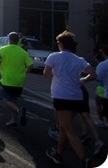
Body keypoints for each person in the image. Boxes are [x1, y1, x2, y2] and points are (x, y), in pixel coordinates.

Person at [44, 30, 96, 167]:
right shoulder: (78, 59)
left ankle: (84, 160)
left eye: (58, 42)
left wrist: (56, 73)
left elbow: (46, 74)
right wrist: (82, 80)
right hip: (77, 97)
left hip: (62, 96)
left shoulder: (54, 56)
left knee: (69, 130)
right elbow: (93, 74)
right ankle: (58, 155)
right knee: (64, 127)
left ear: (61, 44)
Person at [0, 32, 32, 129]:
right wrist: (24, 72)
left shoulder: (3, 49)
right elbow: (30, 65)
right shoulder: (23, 52)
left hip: (8, 78)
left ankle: (19, 110)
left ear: (9, 39)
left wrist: (0, 68)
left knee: (6, 100)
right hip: (19, 80)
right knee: (13, 100)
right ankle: (13, 121)